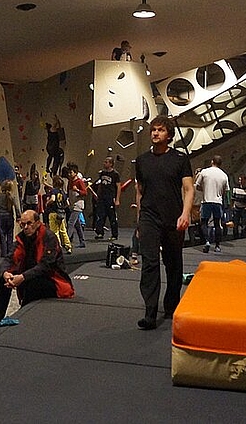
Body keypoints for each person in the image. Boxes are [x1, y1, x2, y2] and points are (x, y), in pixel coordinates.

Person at [134, 115, 194, 330]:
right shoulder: (142, 161)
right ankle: (150, 313)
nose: (155, 133)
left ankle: (171, 304)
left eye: (160, 130)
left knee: (173, 263)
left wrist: (186, 213)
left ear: (169, 135)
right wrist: (139, 221)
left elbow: (189, 188)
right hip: (149, 217)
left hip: (173, 216)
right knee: (149, 263)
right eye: (153, 130)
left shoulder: (179, 159)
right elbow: (139, 192)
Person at [0, 210, 74, 335]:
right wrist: (6, 274)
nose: (26, 227)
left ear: (38, 223)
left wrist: (22, 277)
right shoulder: (22, 238)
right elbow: (10, 258)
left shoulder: (49, 237)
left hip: (54, 281)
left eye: (29, 223)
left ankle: (23, 317)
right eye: (23, 224)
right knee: (5, 278)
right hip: (30, 274)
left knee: (32, 282)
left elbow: (45, 266)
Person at [195, 155, 229, 253]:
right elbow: (225, 191)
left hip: (207, 201)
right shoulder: (224, 175)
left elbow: (197, 186)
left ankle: (207, 241)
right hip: (218, 202)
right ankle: (217, 246)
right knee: (217, 224)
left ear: (212, 161)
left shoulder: (204, 172)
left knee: (204, 222)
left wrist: (205, 189)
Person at [92, 156, 121, 241]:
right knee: (101, 215)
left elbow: (118, 186)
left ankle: (114, 234)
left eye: (106, 162)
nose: (104, 163)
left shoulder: (115, 174)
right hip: (102, 197)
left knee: (112, 217)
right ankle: (100, 232)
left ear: (111, 164)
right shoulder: (102, 173)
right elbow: (100, 184)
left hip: (110, 197)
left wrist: (117, 199)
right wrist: (98, 194)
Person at [45, 175, 72, 254]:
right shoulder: (63, 193)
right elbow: (68, 203)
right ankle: (68, 246)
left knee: (55, 231)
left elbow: (53, 199)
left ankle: (58, 247)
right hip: (61, 213)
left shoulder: (53, 191)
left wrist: (47, 202)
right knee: (63, 231)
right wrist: (62, 207)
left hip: (53, 213)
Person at [0, 180, 19, 258]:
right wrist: (18, 217)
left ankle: (3, 253)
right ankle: (10, 251)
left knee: (2, 235)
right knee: (10, 234)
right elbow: (16, 207)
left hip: (2, 216)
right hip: (9, 217)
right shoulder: (12, 196)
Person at [66, 165, 87, 249]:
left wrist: (77, 190)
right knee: (77, 224)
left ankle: (66, 241)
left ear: (75, 173)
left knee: (71, 223)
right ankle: (82, 241)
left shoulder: (79, 182)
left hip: (78, 205)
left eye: (71, 172)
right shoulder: (70, 182)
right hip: (72, 204)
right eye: (69, 172)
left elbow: (85, 192)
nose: (69, 174)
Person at [231, 174, 246, 239]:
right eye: (239, 180)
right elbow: (233, 198)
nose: (240, 181)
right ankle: (235, 235)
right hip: (236, 207)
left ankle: (243, 235)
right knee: (235, 223)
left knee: (244, 223)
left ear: (245, 180)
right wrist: (233, 205)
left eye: (241, 180)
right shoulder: (236, 187)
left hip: (244, 208)